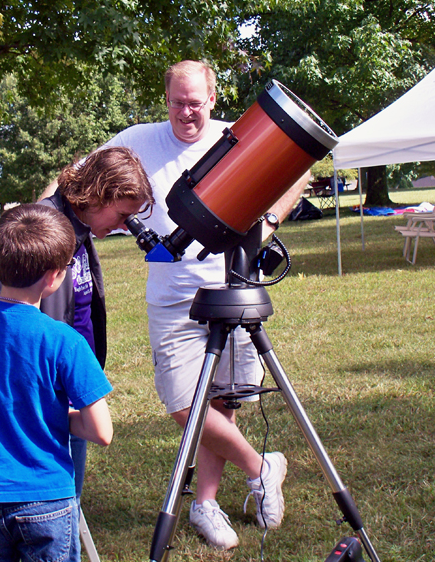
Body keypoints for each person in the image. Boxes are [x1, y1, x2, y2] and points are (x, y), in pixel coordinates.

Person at [100, 60, 311, 550]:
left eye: (196, 102)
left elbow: (299, 167)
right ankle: (263, 467)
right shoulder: (138, 139)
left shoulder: (238, 138)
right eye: (177, 102)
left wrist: (270, 224)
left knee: (224, 401)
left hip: (231, 285)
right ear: (166, 100)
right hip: (173, 299)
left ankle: (205, 505)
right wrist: (38, 215)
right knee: (182, 404)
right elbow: (81, 177)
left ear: (213, 99)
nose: (186, 112)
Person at [0, 146, 154, 504]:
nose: (127, 225)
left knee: (60, 504)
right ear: (98, 194)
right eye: (123, 214)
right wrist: (21, 381)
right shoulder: (44, 225)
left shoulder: (77, 227)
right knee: (47, 509)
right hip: (37, 403)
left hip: (64, 393)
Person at [0, 203, 114, 562]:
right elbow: (101, 431)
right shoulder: (65, 340)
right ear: (55, 277)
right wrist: (55, 415)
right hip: (48, 498)